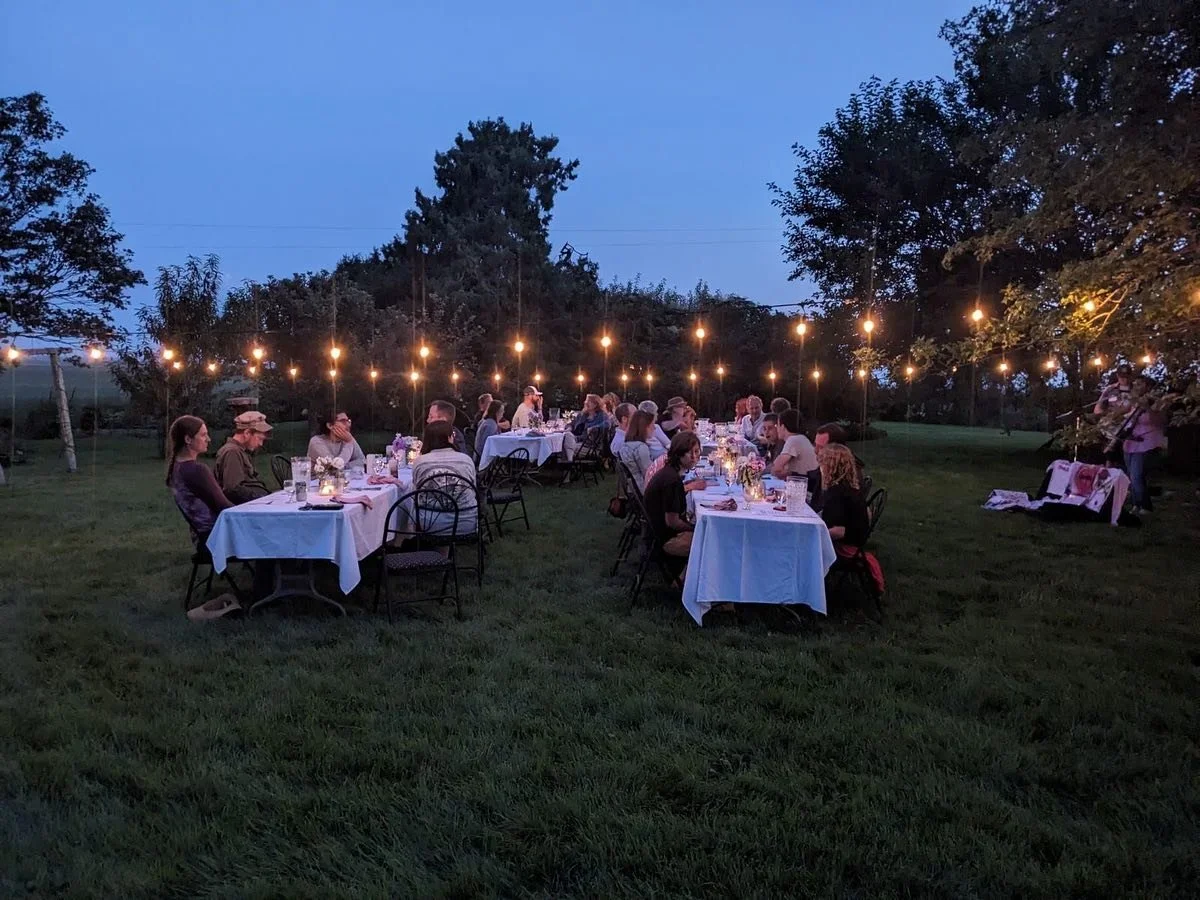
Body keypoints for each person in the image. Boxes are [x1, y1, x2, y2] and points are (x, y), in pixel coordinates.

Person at [165, 415, 242, 621]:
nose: (208, 439)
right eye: (203, 435)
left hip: (202, 537)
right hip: (215, 538)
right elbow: (224, 507)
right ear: (188, 440)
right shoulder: (196, 470)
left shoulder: (177, 468)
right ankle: (270, 590)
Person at [643, 431, 703, 578]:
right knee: (712, 542)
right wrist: (697, 529)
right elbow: (672, 522)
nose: (695, 457)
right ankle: (690, 583)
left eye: (697, 452)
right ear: (678, 454)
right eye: (689, 453)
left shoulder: (670, 473)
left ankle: (687, 577)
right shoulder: (671, 481)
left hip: (656, 533)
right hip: (664, 539)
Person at [412, 419, 479, 537]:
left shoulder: (419, 462)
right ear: (450, 438)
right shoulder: (466, 460)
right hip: (465, 521)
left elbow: (416, 492)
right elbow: (473, 489)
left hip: (429, 524)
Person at [1121, 375, 1168, 514]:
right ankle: (1136, 504)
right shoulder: (1133, 401)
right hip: (1130, 441)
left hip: (1146, 441)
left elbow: (1161, 420)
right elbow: (1121, 414)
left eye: (1140, 384)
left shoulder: (1156, 402)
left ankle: (1145, 506)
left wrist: (1147, 407)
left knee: (1137, 475)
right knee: (1131, 475)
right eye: (1135, 383)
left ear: (1148, 386)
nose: (1136, 386)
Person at [214, 410, 272, 504]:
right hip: (243, 509)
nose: (261, 444)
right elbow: (232, 489)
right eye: (260, 439)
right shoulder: (232, 452)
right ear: (247, 433)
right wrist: (261, 499)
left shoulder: (240, 451)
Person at [817, 443, 870, 546]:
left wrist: (815, 536)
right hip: (853, 540)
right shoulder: (848, 488)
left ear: (830, 467)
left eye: (822, 464)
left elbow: (839, 531)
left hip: (845, 545)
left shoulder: (838, 494)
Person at [772, 409, 821, 505]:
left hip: (805, 496)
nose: (776, 428)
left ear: (783, 426)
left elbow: (776, 469)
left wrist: (787, 473)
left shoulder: (794, 440)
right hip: (805, 490)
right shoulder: (801, 438)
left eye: (777, 425)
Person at [1095, 363, 1135, 464]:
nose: (1124, 379)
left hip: (1128, 424)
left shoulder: (1136, 390)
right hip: (1110, 424)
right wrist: (1106, 416)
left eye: (1127, 376)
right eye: (1122, 377)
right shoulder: (1110, 389)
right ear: (1117, 376)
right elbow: (1098, 408)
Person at [618, 409, 656, 493]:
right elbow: (649, 475)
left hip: (632, 489)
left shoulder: (625, 446)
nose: (654, 428)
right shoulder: (640, 448)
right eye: (652, 425)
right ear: (645, 427)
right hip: (644, 490)